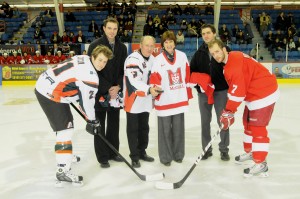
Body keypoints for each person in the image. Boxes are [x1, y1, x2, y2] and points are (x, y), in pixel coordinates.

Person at [35, 45, 113, 186]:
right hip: (50, 93)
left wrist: (89, 118)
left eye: (105, 61)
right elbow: (87, 105)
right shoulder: (91, 77)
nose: (102, 64)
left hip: (48, 83)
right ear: (93, 57)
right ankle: (62, 171)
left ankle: (65, 155)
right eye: (100, 60)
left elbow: (74, 85)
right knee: (66, 129)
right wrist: (93, 121)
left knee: (66, 123)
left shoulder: (83, 58)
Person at [208, 39, 280, 177]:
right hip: (253, 95)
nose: (216, 55)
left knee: (258, 127)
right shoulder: (231, 58)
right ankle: (251, 152)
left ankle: (261, 163)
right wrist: (229, 111)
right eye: (212, 53)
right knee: (247, 123)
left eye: (217, 51)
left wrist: (228, 112)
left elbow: (238, 94)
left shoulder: (233, 66)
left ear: (224, 49)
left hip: (264, 93)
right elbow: (238, 89)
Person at [87, 17, 128, 169]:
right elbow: (92, 71)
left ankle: (113, 152)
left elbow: (123, 70)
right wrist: (106, 88)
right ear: (104, 29)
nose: (112, 31)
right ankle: (103, 157)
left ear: (118, 30)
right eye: (109, 28)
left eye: (115, 29)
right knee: (100, 124)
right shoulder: (95, 45)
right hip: (99, 92)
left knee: (114, 123)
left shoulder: (122, 47)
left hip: (115, 93)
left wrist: (117, 87)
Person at [149, 31, 192, 166]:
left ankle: (178, 155)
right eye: (166, 42)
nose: (169, 44)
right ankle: (166, 157)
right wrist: (156, 95)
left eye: (171, 41)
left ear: (175, 42)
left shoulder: (182, 56)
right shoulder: (158, 60)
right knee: (164, 131)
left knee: (179, 130)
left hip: (178, 99)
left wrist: (187, 95)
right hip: (164, 100)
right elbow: (154, 79)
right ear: (162, 44)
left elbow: (187, 76)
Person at [190, 24, 230, 161]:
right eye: (203, 34)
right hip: (204, 93)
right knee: (205, 122)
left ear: (214, 33)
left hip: (221, 91)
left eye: (208, 32)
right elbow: (192, 73)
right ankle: (206, 149)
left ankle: (224, 149)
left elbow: (231, 70)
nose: (206, 35)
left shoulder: (224, 50)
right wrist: (199, 87)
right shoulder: (198, 53)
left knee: (223, 121)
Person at [123, 36, 159, 168]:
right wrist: (149, 89)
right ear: (140, 45)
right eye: (146, 45)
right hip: (133, 100)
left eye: (151, 46)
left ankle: (142, 151)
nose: (149, 48)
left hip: (146, 100)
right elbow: (134, 81)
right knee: (133, 129)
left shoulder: (153, 59)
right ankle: (134, 156)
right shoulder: (133, 59)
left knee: (144, 127)